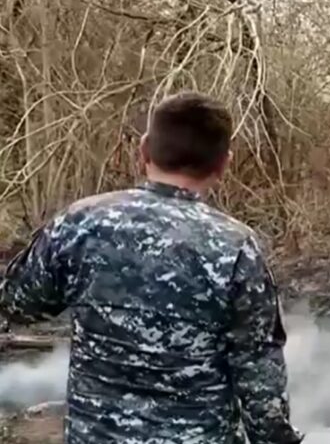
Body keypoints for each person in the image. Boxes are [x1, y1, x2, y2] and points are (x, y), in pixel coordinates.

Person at [0, 92, 303, 444]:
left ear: (144, 150)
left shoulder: (80, 223)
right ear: (223, 164)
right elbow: (260, 380)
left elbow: (18, 302)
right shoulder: (236, 248)